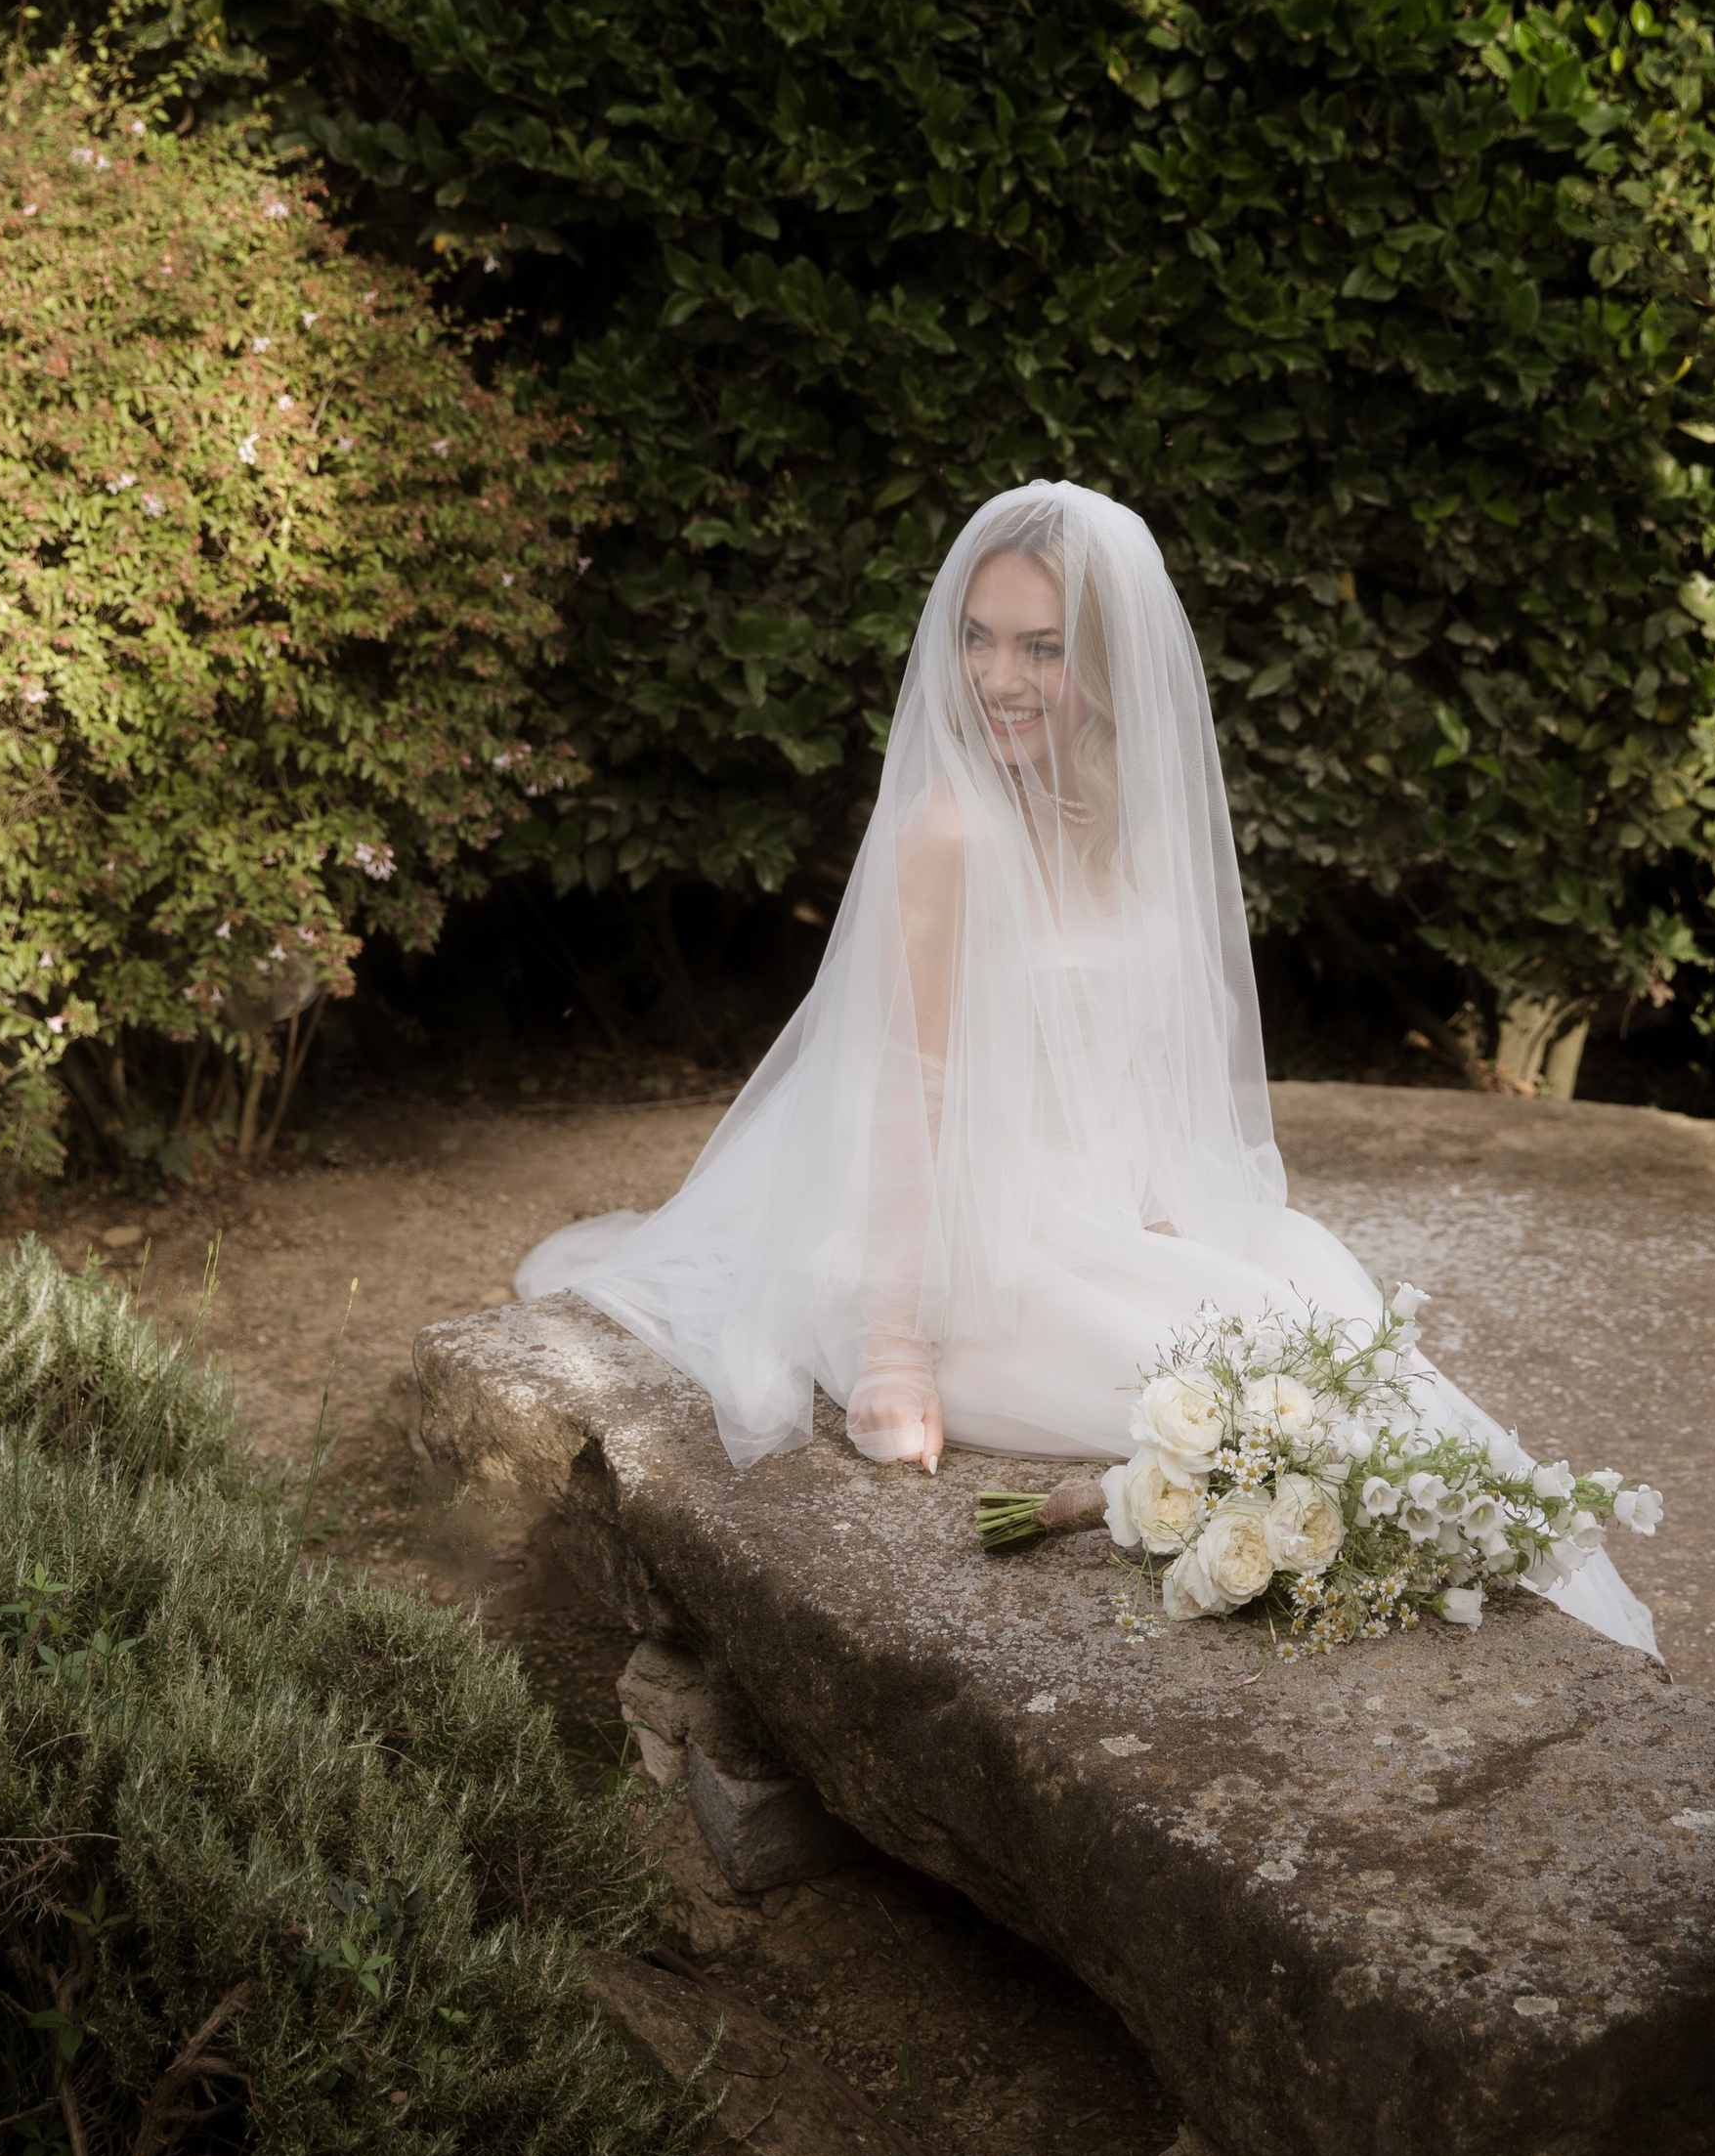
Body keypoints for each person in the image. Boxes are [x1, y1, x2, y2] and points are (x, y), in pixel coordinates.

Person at [514, 482, 1651, 1653]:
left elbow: (1150, 1051)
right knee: (1231, 1377)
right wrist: (895, 1352)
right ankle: (1455, 1556)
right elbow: (912, 1097)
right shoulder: (948, 836)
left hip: (1113, 1209)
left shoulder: (1125, 813)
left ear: (1104, 663)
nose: (997, 678)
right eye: (978, 638)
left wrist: (1163, 1207)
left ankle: (1512, 1543)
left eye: (1041, 649)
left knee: (1310, 1293)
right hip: (973, 1250)